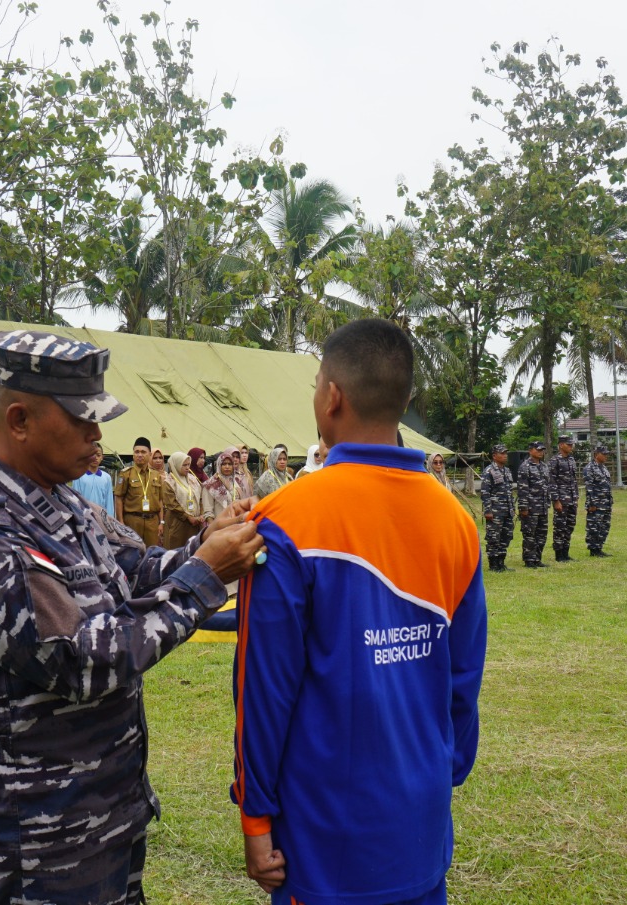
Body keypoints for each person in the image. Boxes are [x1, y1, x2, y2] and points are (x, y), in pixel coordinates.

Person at [0, 329, 264, 905]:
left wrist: (204, 546)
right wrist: (205, 580)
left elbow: (136, 568)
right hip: (40, 845)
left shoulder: (57, 499)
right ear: (18, 421)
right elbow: (83, 660)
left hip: (100, 816)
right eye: (82, 421)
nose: (98, 436)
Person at [232, 318, 487, 905]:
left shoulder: (285, 519)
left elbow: (264, 689)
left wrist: (256, 816)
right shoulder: (456, 521)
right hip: (419, 820)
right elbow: (463, 680)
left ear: (332, 395)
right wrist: (437, 773)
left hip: (323, 838)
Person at [114, 436, 163, 546]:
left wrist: (161, 522)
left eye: (143, 452)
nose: (139, 455)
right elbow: (119, 498)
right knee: (133, 555)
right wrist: (120, 522)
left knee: (151, 554)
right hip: (132, 521)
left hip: (152, 522)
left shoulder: (156, 475)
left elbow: (160, 500)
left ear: (150, 454)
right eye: (136, 452)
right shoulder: (126, 474)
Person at [515, 440, 551, 568]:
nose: (541, 452)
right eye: (538, 449)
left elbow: (547, 486)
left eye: (542, 450)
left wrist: (548, 502)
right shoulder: (525, 467)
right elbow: (523, 489)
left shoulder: (544, 466)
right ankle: (529, 560)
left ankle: (537, 558)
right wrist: (523, 507)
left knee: (542, 534)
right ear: (530, 451)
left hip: (542, 507)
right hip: (530, 508)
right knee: (530, 534)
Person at [479, 443, 515, 572]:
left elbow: (509, 491)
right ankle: (493, 564)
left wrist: (512, 508)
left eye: (506, 453)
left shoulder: (507, 470)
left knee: (506, 536)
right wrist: (488, 510)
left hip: (507, 510)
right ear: (494, 456)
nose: (505, 456)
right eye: (502, 453)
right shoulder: (489, 471)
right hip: (495, 511)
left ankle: (501, 562)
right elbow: (485, 493)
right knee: (494, 537)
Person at [163, 451, 207, 548]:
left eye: (188, 465)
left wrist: (201, 514)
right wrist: (188, 517)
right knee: (177, 551)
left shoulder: (192, 479)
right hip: (178, 523)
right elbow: (172, 504)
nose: (187, 468)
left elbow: (200, 497)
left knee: (193, 550)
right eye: (184, 465)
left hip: (195, 523)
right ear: (176, 465)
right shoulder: (169, 482)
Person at [548, 434, 580, 563]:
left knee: (570, 526)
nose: (571, 446)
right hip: (561, 499)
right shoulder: (554, 460)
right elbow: (552, 481)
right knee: (560, 527)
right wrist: (556, 500)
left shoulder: (571, 459)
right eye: (569, 444)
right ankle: (559, 554)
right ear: (561, 445)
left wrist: (576, 496)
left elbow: (574, 480)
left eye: (572, 444)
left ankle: (566, 553)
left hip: (571, 498)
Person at [584, 444, 614, 557]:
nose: (606, 456)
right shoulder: (589, 468)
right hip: (596, 503)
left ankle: (599, 547)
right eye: (604, 454)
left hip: (605, 502)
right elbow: (589, 487)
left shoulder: (603, 467)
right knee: (594, 525)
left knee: (604, 525)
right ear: (596, 454)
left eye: (607, 454)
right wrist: (592, 503)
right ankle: (593, 549)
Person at [69, 441, 114, 511]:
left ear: (102, 457)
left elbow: (109, 502)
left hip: (101, 516)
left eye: (98, 455)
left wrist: (110, 519)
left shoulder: (107, 477)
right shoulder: (79, 476)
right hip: (85, 515)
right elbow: (76, 499)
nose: (95, 458)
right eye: (92, 455)